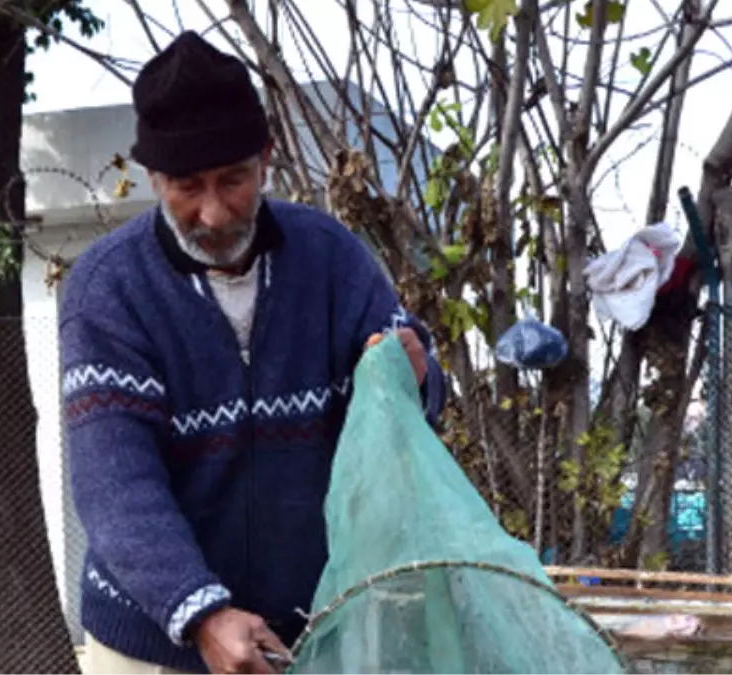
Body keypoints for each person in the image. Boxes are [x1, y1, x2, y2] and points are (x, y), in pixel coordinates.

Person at [60, 31, 446, 675]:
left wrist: (417, 376)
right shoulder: (108, 291)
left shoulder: (332, 260)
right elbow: (115, 484)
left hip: (311, 634)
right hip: (155, 639)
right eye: (186, 186)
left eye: (233, 179)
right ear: (153, 177)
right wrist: (200, 612)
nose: (214, 212)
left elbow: (403, 413)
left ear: (266, 158)